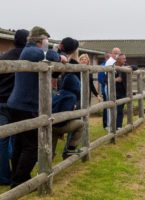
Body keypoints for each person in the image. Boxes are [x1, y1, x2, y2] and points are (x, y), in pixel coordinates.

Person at [7, 26, 66, 188]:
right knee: (32, 146)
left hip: (20, 103)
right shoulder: (31, 51)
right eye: (46, 40)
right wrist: (57, 54)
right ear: (40, 40)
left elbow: (51, 69)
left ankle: (17, 177)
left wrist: (56, 58)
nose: (48, 42)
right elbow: (49, 55)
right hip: (26, 105)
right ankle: (20, 180)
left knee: (21, 144)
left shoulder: (32, 52)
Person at [0, 29, 29, 185]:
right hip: (17, 103)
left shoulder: (5, 56)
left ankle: (4, 175)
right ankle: (17, 173)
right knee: (18, 139)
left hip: (1, 101)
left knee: (3, 140)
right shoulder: (27, 57)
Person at [52, 72, 83, 160]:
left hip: (51, 124)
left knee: (50, 151)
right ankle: (70, 149)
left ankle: (44, 169)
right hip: (60, 125)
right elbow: (66, 113)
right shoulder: (72, 96)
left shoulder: (59, 92)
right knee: (81, 124)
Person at [105, 48, 121, 131]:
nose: (117, 55)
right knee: (110, 105)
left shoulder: (114, 62)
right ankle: (109, 125)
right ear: (112, 53)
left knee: (113, 105)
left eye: (118, 53)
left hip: (114, 86)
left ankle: (113, 124)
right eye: (115, 53)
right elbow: (108, 76)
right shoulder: (110, 62)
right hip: (109, 85)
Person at [98, 53, 111, 128]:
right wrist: (107, 84)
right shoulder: (102, 66)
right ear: (106, 57)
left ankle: (110, 122)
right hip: (105, 88)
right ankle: (105, 124)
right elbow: (100, 79)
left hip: (112, 89)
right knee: (106, 106)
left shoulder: (111, 65)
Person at [115, 54, 127, 129]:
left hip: (123, 92)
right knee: (115, 109)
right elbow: (105, 79)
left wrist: (130, 67)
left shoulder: (126, 66)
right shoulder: (112, 67)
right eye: (123, 59)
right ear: (118, 60)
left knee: (120, 109)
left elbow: (135, 67)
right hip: (114, 91)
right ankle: (115, 126)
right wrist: (115, 80)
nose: (125, 60)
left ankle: (118, 126)